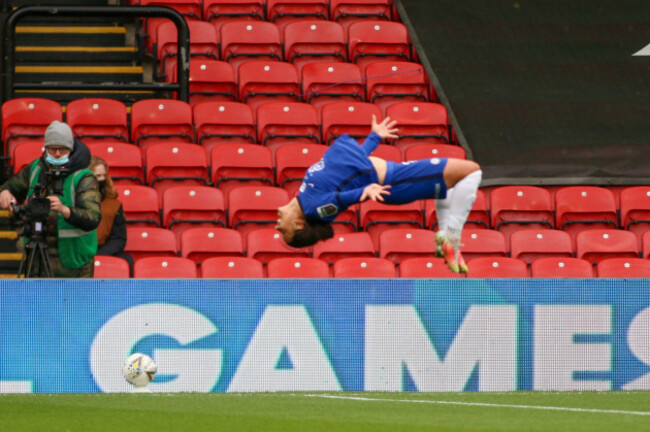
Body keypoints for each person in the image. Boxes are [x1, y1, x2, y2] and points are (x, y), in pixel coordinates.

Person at [275, 115, 482, 274]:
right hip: (397, 182)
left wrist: (374, 137)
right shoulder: (314, 209)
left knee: (454, 183)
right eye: (283, 232)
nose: (277, 227)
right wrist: (363, 192)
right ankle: (450, 237)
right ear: (298, 225)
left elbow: (351, 165)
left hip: (397, 175)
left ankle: (448, 238)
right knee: (471, 171)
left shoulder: (304, 194)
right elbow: (338, 200)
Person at [0, 121, 101, 277]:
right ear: (45, 148)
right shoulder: (36, 168)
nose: (58, 153)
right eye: (53, 149)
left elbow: (93, 218)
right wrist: (5, 192)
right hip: (37, 253)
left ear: (71, 149)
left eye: (63, 149)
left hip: (74, 260)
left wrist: (64, 210)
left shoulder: (84, 177)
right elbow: (11, 186)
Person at [89, 156, 134, 273]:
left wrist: (99, 255)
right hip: (79, 254)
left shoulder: (114, 204)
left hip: (104, 251)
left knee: (127, 261)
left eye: (104, 175)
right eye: (98, 176)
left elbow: (118, 239)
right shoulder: (73, 203)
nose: (102, 179)